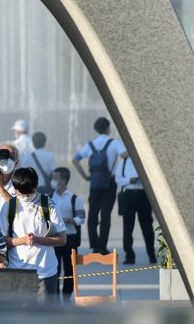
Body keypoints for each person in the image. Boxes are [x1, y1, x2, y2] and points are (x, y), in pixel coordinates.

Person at [0, 168, 66, 302]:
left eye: (28, 192)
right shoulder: (9, 206)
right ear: (15, 188)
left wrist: (37, 239)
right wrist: (23, 240)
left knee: (45, 318)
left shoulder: (48, 205)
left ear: (36, 186)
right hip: (17, 272)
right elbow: (1, 241)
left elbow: (62, 239)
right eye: (20, 192)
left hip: (45, 272)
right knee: (19, 318)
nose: (25, 196)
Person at [72, 117, 126, 254]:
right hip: (110, 183)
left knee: (92, 215)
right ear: (108, 128)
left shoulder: (90, 145)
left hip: (94, 183)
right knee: (106, 215)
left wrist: (85, 176)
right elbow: (125, 155)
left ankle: (94, 245)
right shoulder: (114, 143)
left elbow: (75, 159)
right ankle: (103, 246)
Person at [50, 167, 85, 300]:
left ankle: (66, 298)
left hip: (70, 239)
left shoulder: (75, 198)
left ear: (64, 181)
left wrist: (69, 220)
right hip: (54, 239)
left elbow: (81, 218)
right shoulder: (49, 197)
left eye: (55, 178)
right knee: (55, 271)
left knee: (70, 272)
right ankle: (55, 298)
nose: (52, 181)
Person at [115, 155, 156, 265]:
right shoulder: (124, 162)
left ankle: (152, 254)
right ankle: (129, 255)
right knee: (128, 228)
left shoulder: (145, 160)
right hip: (129, 194)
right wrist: (129, 180)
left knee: (147, 226)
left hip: (143, 194)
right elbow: (118, 178)